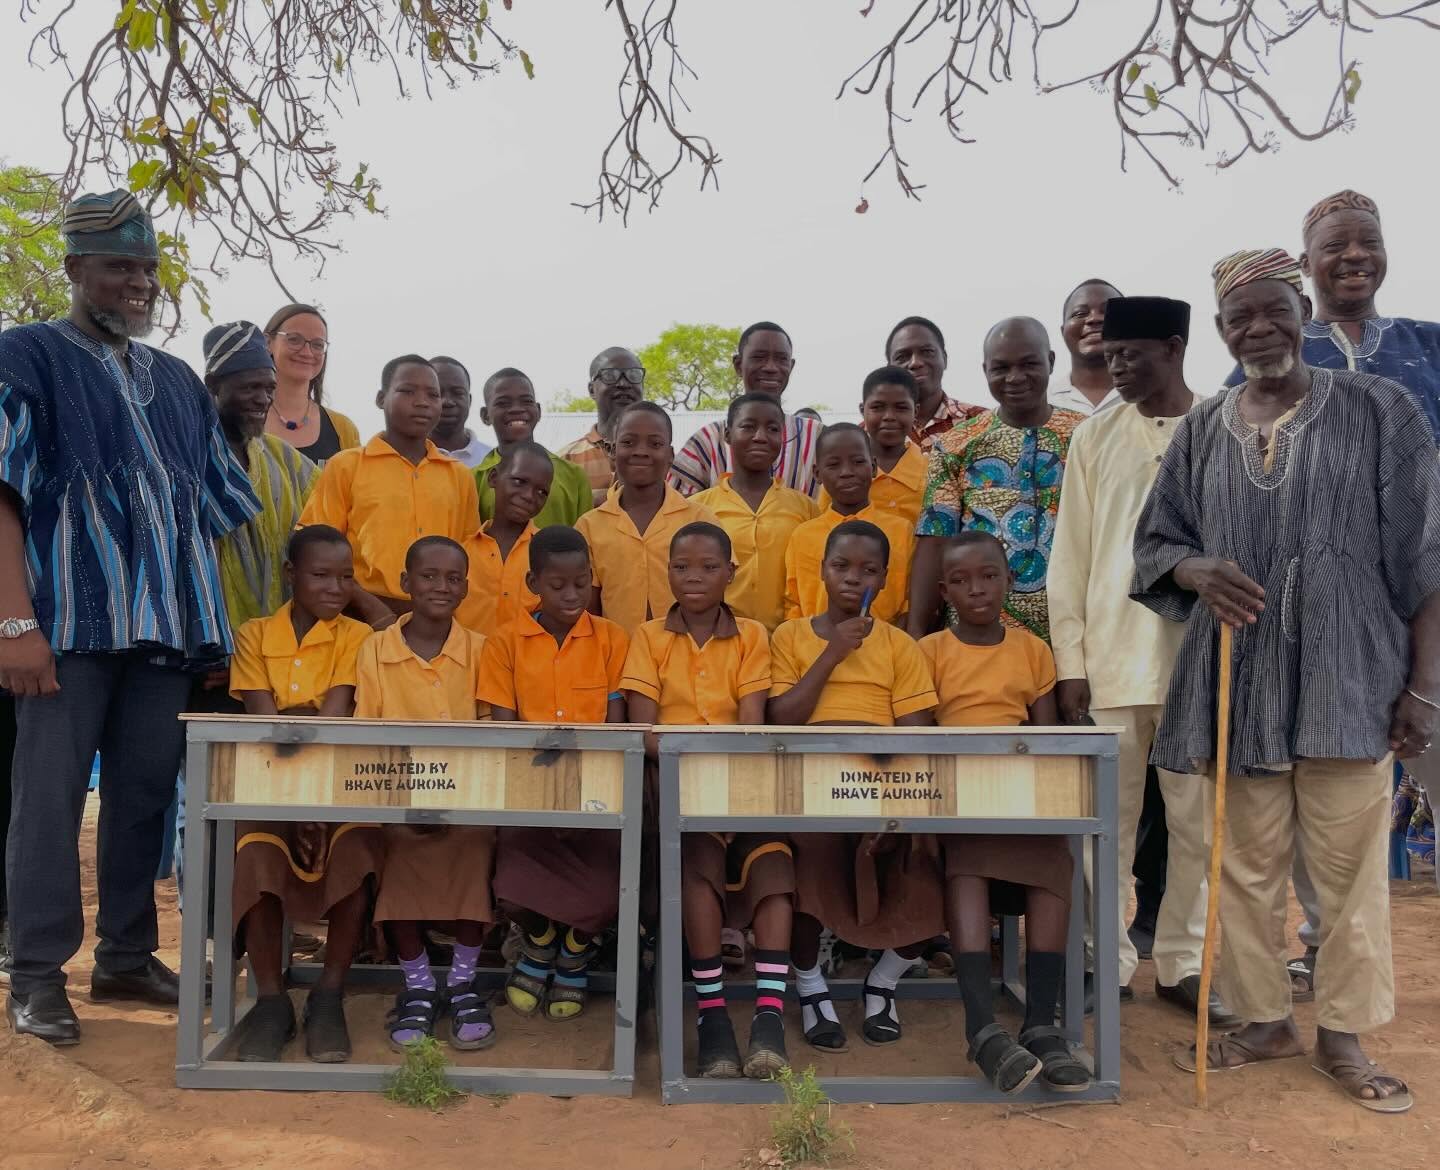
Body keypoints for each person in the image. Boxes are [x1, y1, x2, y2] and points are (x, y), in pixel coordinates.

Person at [1136, 247, 1440, 1114]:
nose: (1259, 327)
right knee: (1243, 866)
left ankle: (1344, 1033)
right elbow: (1156, 546)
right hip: (1240, 679)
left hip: (1353, 678)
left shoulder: (1379, 408)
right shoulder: (1202, 428)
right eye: (1240, 318)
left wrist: (1423, 689)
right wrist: (1195, 570)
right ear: (1224, 333)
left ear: (1300, 309)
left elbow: (1427, 554)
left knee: (1347, 872)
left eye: (1274, 310)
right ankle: (1266, 1018)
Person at [0, 191, 260, 1045]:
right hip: (66, 627)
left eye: (147, 269)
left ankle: (124, 953)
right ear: (74, 269)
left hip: (169, 633)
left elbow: (216, 514)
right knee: (48, 800)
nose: (138, 283)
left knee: (145, 796)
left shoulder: (178, 379)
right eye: (119, 266)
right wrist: (14, 625)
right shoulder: (25, 355)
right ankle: (37, 973)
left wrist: (218, 635)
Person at [1047, 296, 1237, 1024]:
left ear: (1176, 346)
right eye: (1109, 355)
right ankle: (1108, 959)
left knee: (1200, 826)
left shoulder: (1227, 426)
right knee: (1108, 825)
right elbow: (1072, 560)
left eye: (1132, 354)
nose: (1116, 366)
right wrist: (1072, 663)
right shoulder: (1094, 438)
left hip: (1203, 664)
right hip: (1114, 659)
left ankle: (1185, 961)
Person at [1281, 189, 1440, 1000]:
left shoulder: (1426, 346)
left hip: (1429, 591)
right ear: (1305, 263)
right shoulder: (1276, 348)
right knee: (1332, 787)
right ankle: (1321, 947)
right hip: (1327, 613)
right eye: (1335, 247)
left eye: (1366, 243)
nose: (1353, 258)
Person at [918, 532, 1091, 1094]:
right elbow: (919, 734)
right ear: (945, 591)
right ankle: (982, 1028)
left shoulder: (1031, 649)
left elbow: (1044, 733)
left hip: (1019, 789)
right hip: (956, 796)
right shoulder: (929, 652)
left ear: (1008, 579)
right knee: (968, 860)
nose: (978, 590)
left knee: (1051, 858)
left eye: (989, 576)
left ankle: (1042, 1024)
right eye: (963, 581)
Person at [621, 521, 786, 1079]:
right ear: (666, 572)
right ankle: (712, 1019)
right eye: (681, 567)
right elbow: (642, 732)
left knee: (774, 878)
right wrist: (686, 759)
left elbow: (751, 725)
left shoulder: (754, 636)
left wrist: (711, 760)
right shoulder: (647, 637)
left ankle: (769, 1019)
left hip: (741, 784)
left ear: (730, 574)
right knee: (695, 874)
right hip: (673, 789)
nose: (693, 578)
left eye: (709, 567)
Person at [770, 520, 941, 1053]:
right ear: (822, 570)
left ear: (885, 580)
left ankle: (883, 981)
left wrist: (894, 797)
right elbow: (781, 720)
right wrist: (832, 654)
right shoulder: (790, 636)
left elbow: (917, 734)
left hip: (883, 786)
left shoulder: (898, 645)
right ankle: (811, 986)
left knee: (932, 872)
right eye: (841, 566)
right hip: (809, 786)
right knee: (803, 865)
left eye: (867, 570)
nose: (852, 578)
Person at [227, 524, 380, 1062]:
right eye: (321, 575)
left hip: (335, 777)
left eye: (346, 577)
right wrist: (296, 724)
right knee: (254, 854)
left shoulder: (355, 637)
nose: (337, 589)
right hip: (270, 778)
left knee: (356, 848)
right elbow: (262, 720)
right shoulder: (253, 635)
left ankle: (329, 994)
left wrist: (301, 726)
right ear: (291, 574)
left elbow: (335, 718)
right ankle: (271, 999)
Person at [479, 526, 630, 1021]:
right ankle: (541, 940)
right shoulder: (505, 643)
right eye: (557, 584)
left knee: (605, 882)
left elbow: (616, 722)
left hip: (596, 787)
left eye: (581, 584)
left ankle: (577, 948)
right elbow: (502, 728)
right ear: (533, 583)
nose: (571, 595)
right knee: (511, 879)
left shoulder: (611, 639)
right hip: (529, 786)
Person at [355, 536, 497, 1053]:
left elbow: (490, 735)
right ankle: (417, 983)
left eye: (453, 577)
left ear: (466, 586)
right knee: (398, 849)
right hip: (396, 793)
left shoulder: (483, 650)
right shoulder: (374, 650)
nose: (442, 586)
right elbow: (368, 734)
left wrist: (454, 800)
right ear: (405, 583)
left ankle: (461, 980)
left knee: (475, 844)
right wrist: (407, 802)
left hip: (467, 797)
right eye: (429, 576)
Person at [910, 318, 1084, 641]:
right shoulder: (955, 445)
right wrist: (917, 633)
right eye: (1001, 368)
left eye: (1029, 364)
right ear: (985, 370)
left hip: (1074, 636)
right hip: (978, 642)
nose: (1015, 377)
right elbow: (935, 541)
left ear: (1050, 361)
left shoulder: (1086, 437)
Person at [300, 354, 478, 626]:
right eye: (407, 391)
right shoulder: (347, 466)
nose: (421, 402)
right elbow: (317, 548)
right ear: (381, 398)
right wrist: (368, 606)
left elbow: (468, 557)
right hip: (361, 618)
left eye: (433, 394)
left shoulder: (459, 476)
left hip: (438, 623)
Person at [201, 321, 320, 635]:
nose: (263, 399)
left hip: (281, 646)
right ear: (213, 385)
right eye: (249, 388)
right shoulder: (188, 457)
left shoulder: (287, 461)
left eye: (269, 388)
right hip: (214, 642)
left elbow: (332, 515)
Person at [575, 402, 719, 633]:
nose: (641, 451)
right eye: (629, 442)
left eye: (655, 443)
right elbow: (589, 611)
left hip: (687, 660)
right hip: (618, 661)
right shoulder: (590, 526)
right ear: (612, 451)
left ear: (671, 455)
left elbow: (716, 600)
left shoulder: (701, 521)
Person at [691, 394, 820, 633]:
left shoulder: (806, 508)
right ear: (728, 435)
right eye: (748, 427)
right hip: (721, 644)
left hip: (789, 644)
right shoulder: (697, 508)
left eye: (772, 429)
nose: (760, 437)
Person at [669, 322, 823, 498]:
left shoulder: (818, 437)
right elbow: (677, 510)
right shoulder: (708, 440)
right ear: (738, 364)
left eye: (781, 359)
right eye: (759, 357)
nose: (771, 368)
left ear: (791, 366)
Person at [786, 423, 914, 626]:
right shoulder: (803, 535)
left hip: (883, 647)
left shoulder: (901, 530)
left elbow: (910, 600)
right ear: (817, 473)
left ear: (873, 468)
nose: (846, 472)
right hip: (816, 648)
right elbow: (793, 603)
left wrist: (890, 642)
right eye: (833, 464)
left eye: (857, 462)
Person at [473, 368, 592, 527]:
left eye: (526, 401)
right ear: (485, 415)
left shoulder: (573, 475)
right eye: (503, 403)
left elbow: (584, 539)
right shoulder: (474, 479)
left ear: (539, 411)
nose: (516, 409)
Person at [456, 441, 549, 637]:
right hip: (466, 665)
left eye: (542, 492)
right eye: (519, 481)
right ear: (494, 477)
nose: (529, 496)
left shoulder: (546, 555)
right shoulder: (462, 552)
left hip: (525, 666)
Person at [818, 367, 927, 526]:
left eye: (901, 407)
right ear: (863, 410)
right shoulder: (841, 472)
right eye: (878, 407)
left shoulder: (931, 472)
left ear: (915, 412)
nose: (889, 416)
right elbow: (821, 525)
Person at [262, 303, 360, 464]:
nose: (307, 352)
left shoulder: (343, 430)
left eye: (318, 344)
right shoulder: (240, 420)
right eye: (294, 340)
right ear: (268, 343)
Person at [557, 347, 646, 503]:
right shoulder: (565, 461)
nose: (624, 383)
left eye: (633, 375)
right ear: (592, 390)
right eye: (610, 375)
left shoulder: (659, 456)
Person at [884, 316, 984, 451]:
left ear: (944, 359)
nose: (915, 362)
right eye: (902, 357)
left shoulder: (981, 424)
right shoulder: (866, 436)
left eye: (927, 352)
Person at [1049, 279, 1125, 416]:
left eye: (1107, 311)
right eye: (1079, 313)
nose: (1094, 318)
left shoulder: (1151, 397)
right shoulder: (1044, 402)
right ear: (1063, 331)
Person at [429, 355, 492, 469]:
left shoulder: (492, 461)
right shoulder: (405, 457)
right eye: (437, 393)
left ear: (470, 400)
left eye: (457, 393)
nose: (447, 402)